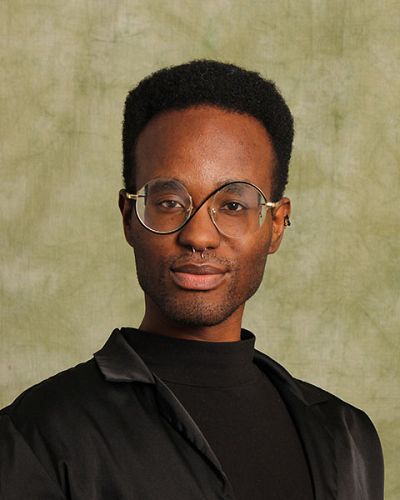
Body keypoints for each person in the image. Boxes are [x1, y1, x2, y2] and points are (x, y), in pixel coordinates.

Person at [0, 60, 383, 500]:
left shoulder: (346, 436)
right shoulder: (35, 436)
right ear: (129, 218)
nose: (198, 235)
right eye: (168, 202)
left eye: (233, 205)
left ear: (277, 225)